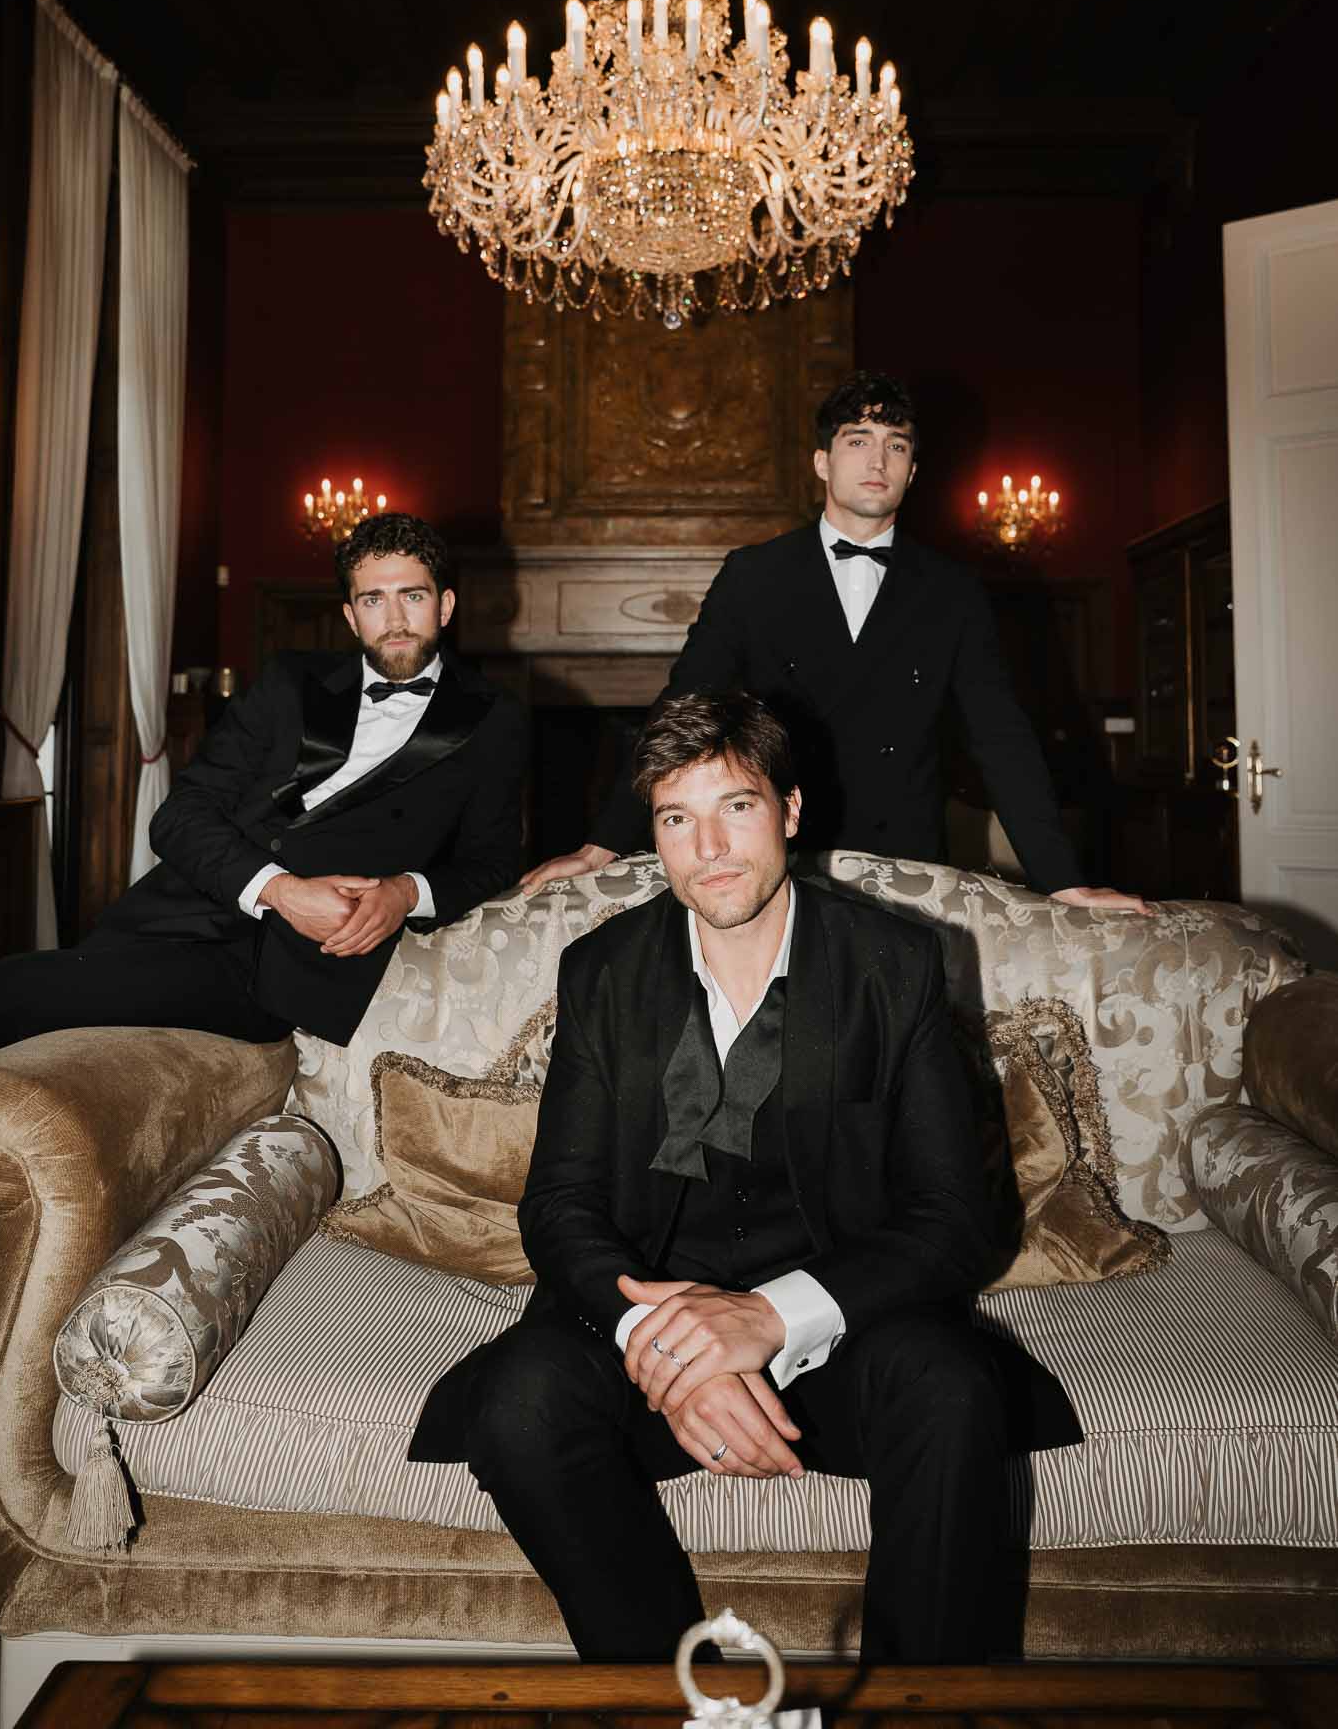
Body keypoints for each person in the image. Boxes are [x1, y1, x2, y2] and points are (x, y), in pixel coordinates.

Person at [410, 689, 1082, 1664]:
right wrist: (663, 1342)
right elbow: (557, 1205)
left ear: (791, 811)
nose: (708, 846)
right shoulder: (601, 968)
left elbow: (954, 1218)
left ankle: (922, 1706)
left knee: (949, 1387)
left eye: (737, 805)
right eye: (676, 817)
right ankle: (679, 1696)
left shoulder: (889, 964)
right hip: (649, 1319)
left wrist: (768, 1318)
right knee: (518, 1400)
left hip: (839, 1323)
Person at [523, 372, 1145, 912]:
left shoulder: (953, 591)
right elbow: (678, 712)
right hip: (786, 864)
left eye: (895, 446)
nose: (877, 461)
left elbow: (1002, 737)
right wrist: (600, 845)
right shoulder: (753, 576)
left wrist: (1063, 883)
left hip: (907, 873)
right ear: (822, 461)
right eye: (857, 441)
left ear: (913, 470)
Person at [0, 513, 527, 1057]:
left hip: (283, 965)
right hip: (185, 913)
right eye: (373, 600)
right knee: (7, 987)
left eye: (413, 595)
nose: (395, 618)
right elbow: (180, 815)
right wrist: (280, 891)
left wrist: (405, 892)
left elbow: (492, 860)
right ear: (352, 618)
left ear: (445, 605)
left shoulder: (494, 718)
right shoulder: (289, 683)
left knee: (10, 988)